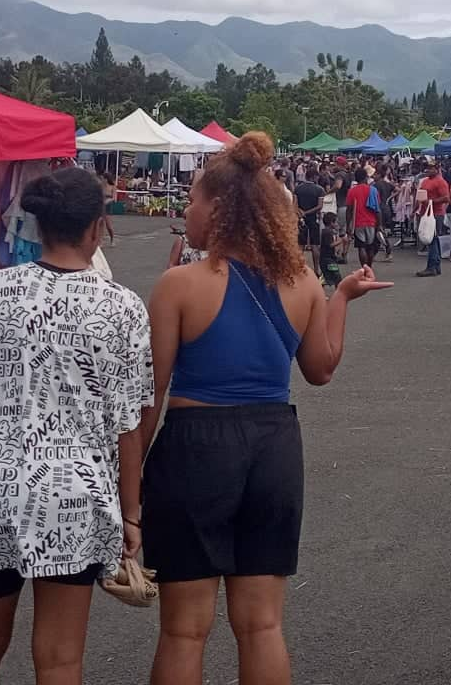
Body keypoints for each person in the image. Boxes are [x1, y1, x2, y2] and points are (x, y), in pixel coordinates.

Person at [140, 133, 390, 685]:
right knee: (262, 626)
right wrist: (341, 298)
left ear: (221, 209)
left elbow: (148, 400)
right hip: (275, 446)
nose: (188, 209)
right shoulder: (302, 282)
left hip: (195, 447)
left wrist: (127, 484)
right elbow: (320, 371)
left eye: (194, 200)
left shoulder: (178, 284)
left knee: (184, 630)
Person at [0, 166, 152, 685]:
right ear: (98, 227)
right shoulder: (122, 308)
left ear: (37, 225)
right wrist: (131, 514)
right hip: (74, 496)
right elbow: (129, 424)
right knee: (59, 659)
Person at [417, 161, 451, 278]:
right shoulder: (426, 181)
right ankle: (436, 266)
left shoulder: (440, 182)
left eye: (432, 168)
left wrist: (431, 202)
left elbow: (446, 198)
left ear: (437, 169)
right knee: (432, 240)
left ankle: (431, 266)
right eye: (428, 168)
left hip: (436, 214)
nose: (429, 170)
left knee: (431, 239)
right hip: (425, 212)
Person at [344, 165, 380, 270]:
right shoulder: (373, 190)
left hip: (358, 222)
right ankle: (369, 267)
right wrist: (380, 224)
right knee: (370, 247)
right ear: (365, 177)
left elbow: (349, 210)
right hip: (371, 222)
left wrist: (348, 225)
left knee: (361, 247)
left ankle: (364, 268)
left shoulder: (352, 191)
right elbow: (377, 209)